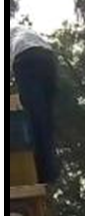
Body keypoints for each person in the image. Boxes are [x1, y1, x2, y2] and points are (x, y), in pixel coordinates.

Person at [10, 26, 60, 184]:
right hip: (48, 58)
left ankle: (42, 170)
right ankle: (50, 168)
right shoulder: (20, 30)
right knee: (46, 117)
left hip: (25, 58)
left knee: (33, 116)